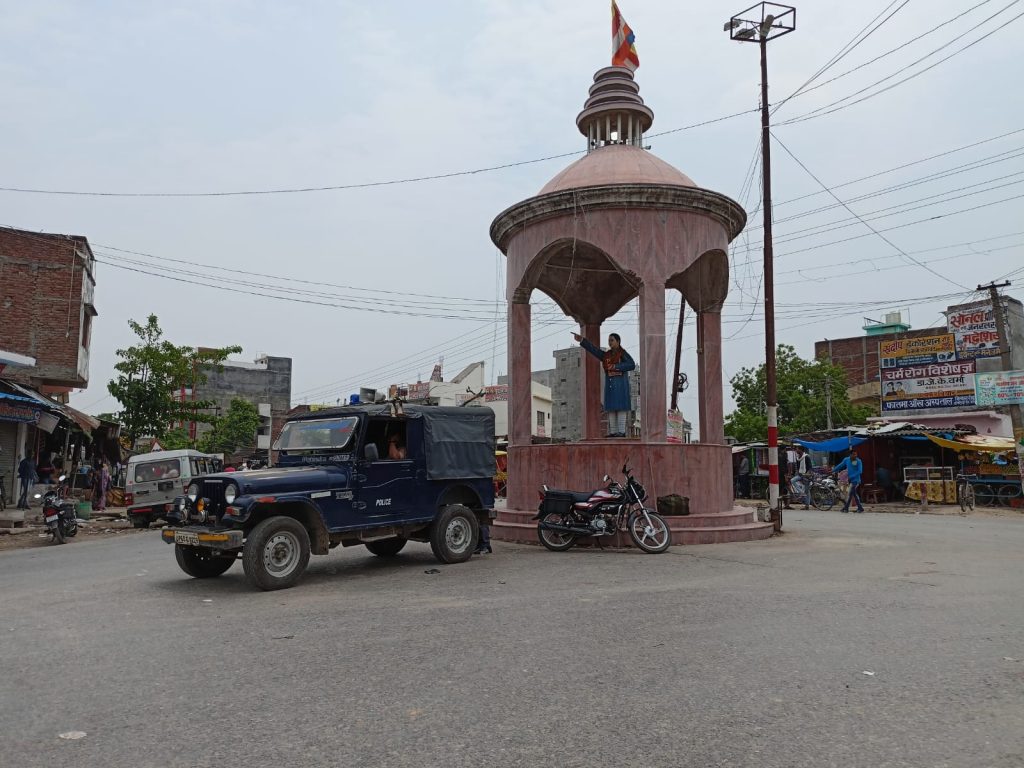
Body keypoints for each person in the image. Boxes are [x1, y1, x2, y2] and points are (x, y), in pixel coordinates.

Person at [571, 331, 636, 437]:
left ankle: (621, 432)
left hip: (620, 387)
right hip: (610, 388)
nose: (610, 342)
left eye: (612, 340)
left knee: (621, 409)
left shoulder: (622, 353)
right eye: (609, 340)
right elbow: (595, 351)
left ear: (618, 341)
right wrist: (582, 340)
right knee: (611, 410)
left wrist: (615, 366)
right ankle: (613, 432)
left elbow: (631, 364)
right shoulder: (606, 356)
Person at [792, 445, 813, 509]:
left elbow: (810, 467)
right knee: (792, 480)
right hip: (800, 475)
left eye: (797, 449)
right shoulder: (798, 458)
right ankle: (801, 492)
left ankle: (807, 506)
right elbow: (798, 468)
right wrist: (797, 473)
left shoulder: (807, 457)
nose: (796, 450)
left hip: (806, 475)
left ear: (801, 450)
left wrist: (807, 474)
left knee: (807, 491)